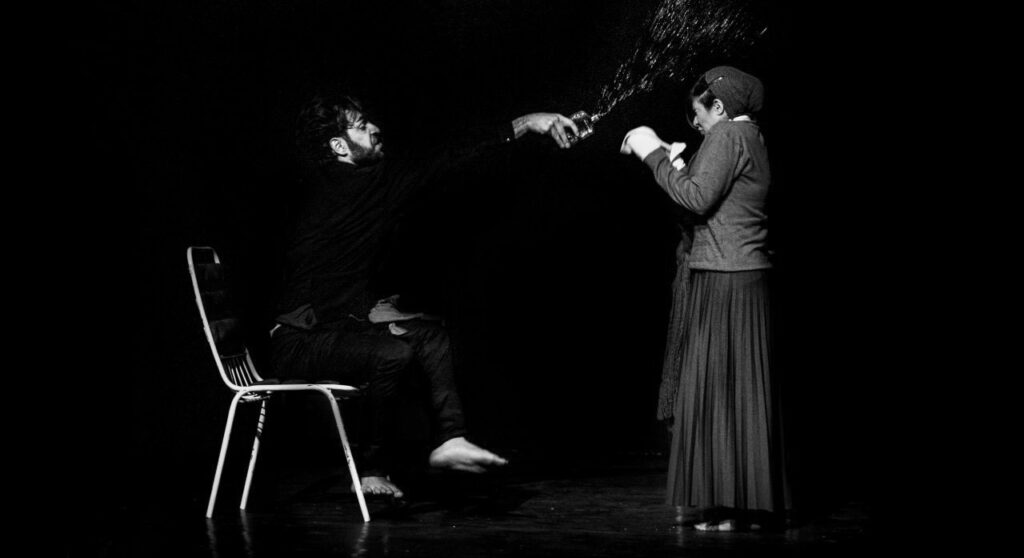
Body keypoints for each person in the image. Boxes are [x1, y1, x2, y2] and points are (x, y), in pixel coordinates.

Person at [270, 91, 579, 499]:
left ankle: (451, 438)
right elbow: (447, 157)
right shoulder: (359, 185)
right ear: (339, 146)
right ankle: (370, 469)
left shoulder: (348, 185)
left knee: (430, 337)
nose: (375, 129)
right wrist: (527, 122)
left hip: (335, 326)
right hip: (298, 342)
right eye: (362, 126)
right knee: (392, 353)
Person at [620, 66, 789, 531]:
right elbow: (715, 199)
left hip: (724, 275)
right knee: (739, 394)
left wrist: (652, 154)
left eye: (699, 113)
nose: (695, 123)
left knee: (718, 393)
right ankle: (742, 507)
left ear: (719, 106)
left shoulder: (727, 135)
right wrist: (675, 163)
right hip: (745, 274)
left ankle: (731, 507)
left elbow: (696, 199)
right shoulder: (751, 136)